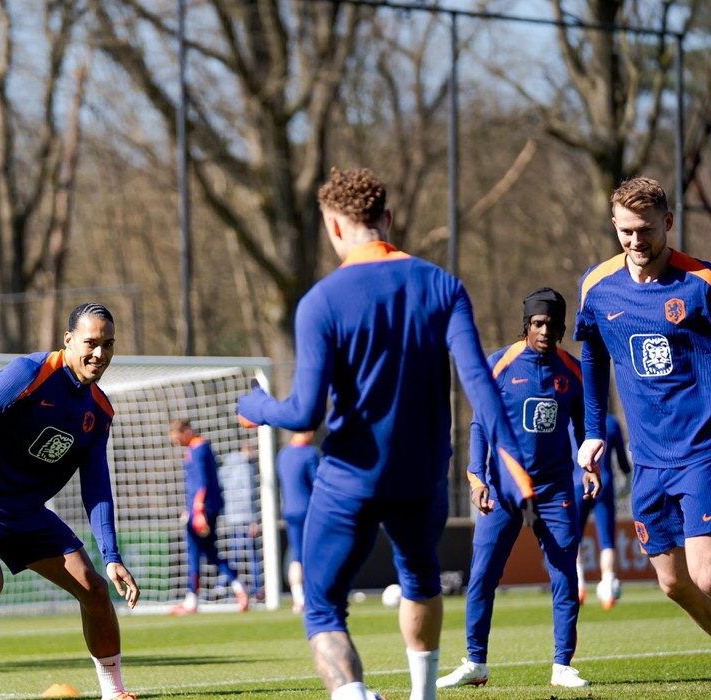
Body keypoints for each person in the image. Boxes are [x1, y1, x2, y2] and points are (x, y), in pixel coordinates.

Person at [236, 168, 532, 700]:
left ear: (332, 226)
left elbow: (304, 414)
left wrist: (257, 406)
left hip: (350, 477)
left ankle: (352, 693)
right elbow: (479, 385)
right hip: (421, 476)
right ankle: (423, 696)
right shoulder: (443, 285)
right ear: (387, 220)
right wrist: (510, 454)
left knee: (324, 605)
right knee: (420, 579)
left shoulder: (320, 302)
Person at [0, 303, 139, 700]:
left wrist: (112, 554)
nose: (99, 354)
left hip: (26, 513)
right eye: (91, 343)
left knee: (95, 589)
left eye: (108, 344)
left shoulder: (98, 411)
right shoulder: (27, 374)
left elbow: (97, 486)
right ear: (68, 341)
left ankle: (114, 692)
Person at [437, 288, 599, 690]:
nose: (545, 331)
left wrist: (590, 466)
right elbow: (479, 425)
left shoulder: (573, 372)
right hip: (503, 490)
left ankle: (562, 666)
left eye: (553, 325)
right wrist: (477, 476)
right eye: (538, 323)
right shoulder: (500, 365)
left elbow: (585, 430)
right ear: (527, 324)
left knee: (564, 575)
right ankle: (476, 662)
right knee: (482, 577)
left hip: (555, 489)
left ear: (563, 328)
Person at [575, 177, 711, 637]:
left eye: (646, 229)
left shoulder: (702, 283)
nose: (636, 240)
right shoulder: (597, 287)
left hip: (702, 452)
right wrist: (593, 430)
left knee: (705, 574)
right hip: (647, 460)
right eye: (626, 230)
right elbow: (592, 354)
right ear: (615, 226)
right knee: (673, 582)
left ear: (668, 222)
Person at [168, 419, 250, 614]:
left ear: (186, 431)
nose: (176, 441)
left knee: (196, 551)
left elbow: (201, 484)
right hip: (203, 508)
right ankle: (237, 586)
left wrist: (197, 511)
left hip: (202, 510)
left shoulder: (198, 450)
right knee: (209, 552)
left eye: (177, 437)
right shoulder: (200, 449)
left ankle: (192, 600)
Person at [573, 414, 631, 609]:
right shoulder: (612, 422)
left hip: (577, 484)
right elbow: (623, 461)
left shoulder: (572, 419)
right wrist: (627, 484)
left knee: (574, 537)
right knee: (607, 541)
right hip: (604, 484)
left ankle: (579, 582)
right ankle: (607, 586)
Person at [276, 431, 319, 614]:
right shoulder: (310, 453)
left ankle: (297, 597)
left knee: (296, 555)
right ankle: (314, 595)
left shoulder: (283, 454)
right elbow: (318, 483)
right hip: (309, 510)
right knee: (312, 554)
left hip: (290, 510)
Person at [219, 439, 263, 602]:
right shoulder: (247, 468)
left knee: (234, 554)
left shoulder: (227, 466)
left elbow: (221, 486)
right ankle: (257, 589)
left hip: (231, 516)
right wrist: (254, 520)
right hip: (244, 517)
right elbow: (248, 495)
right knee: (250, 554)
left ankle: (224, 586)